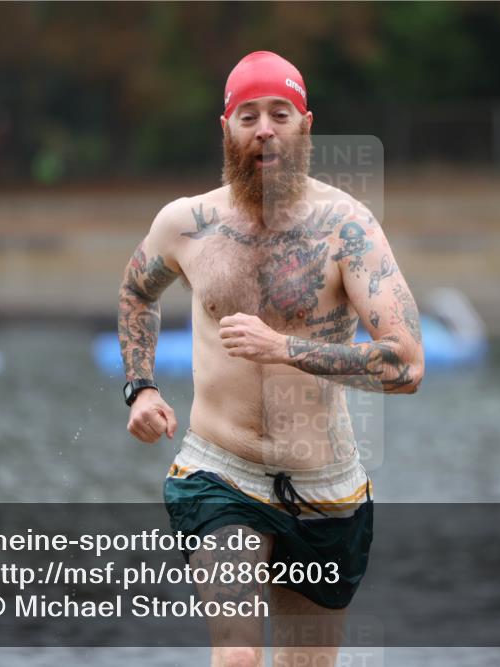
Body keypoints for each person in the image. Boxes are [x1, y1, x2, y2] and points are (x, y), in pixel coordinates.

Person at [117, 50, 424, 667]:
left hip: (326, 490)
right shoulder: (185, 225)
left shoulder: (346, 229)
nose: (264, 128)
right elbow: (135, 292)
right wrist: (141, 386)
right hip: (219, 471)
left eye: (279, 114)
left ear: (305, 124)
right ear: (224, 129)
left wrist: (285, 348)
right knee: (238, 659)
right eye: (248, 115)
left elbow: (407, 365)